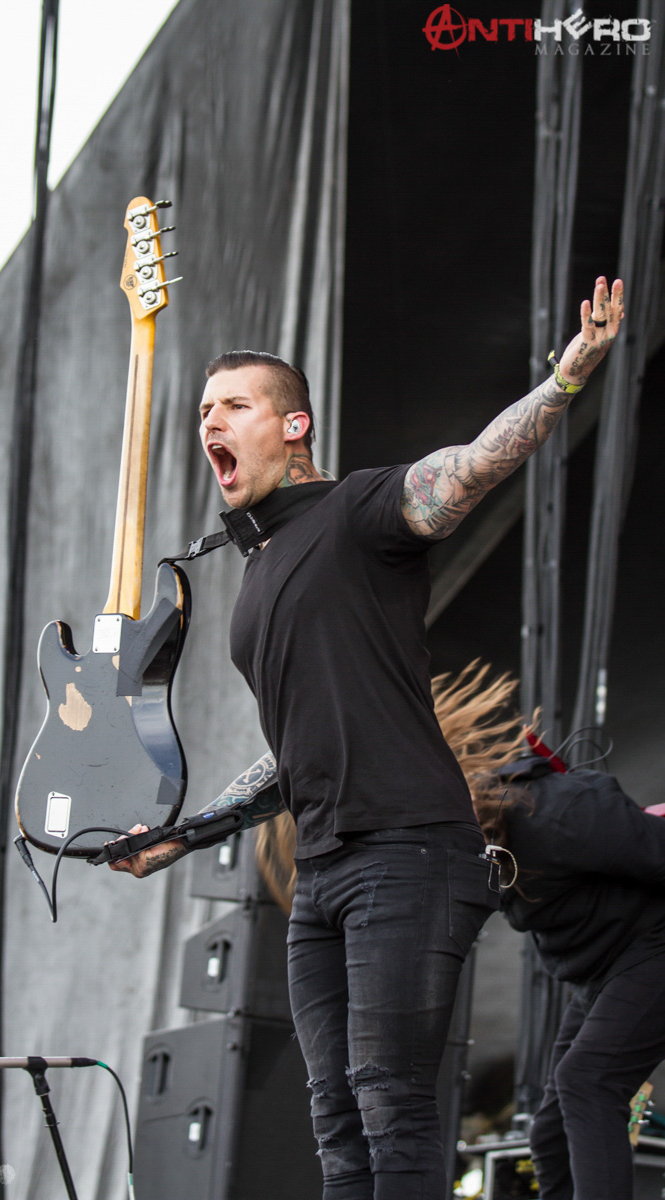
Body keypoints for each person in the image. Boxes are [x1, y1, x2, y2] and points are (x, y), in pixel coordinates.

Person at [110, 277, 624, 1200]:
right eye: (203, 411)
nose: (210, 421)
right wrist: (181, 837)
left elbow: (471, 467)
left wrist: (566, 379)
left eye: (234, 406)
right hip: (325, 871)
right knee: (335, 1121)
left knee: (392, 1107)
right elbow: (292, 753)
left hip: (410, 852)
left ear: (293, 426)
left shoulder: (357, 511)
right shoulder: (256, 576)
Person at [476, 755, 665, 1200]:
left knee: (589, 1081)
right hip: (604, 969)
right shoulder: (470, 853)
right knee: (552, 1133)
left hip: (653, 945)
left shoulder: (558, 811)